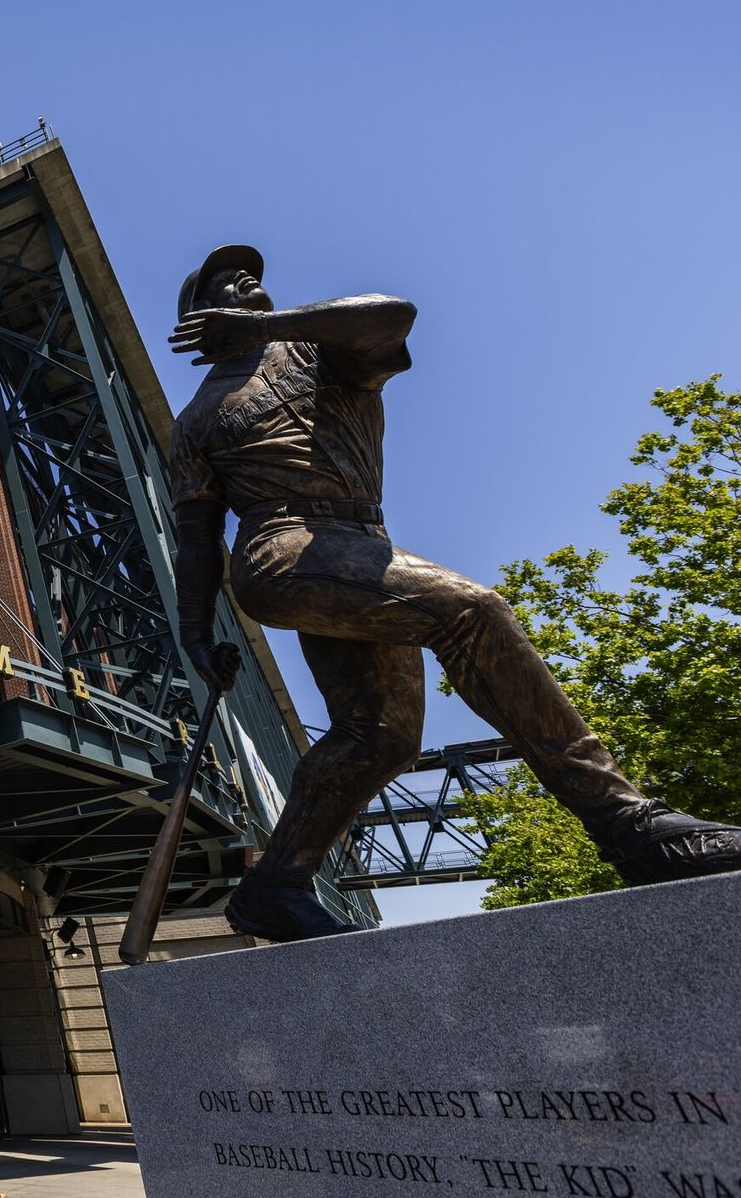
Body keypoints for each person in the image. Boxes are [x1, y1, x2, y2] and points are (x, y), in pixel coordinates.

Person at [166, 244, 741, 941]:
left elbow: (390, 315)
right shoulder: (196, 420)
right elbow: (197, 537)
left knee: (381, 737)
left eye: (248, 272)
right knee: (474, 612)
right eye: (224, 280)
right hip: (278, 550)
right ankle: (628, 823)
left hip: (358, 546)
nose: (245, 278)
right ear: (198, 317)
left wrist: (267, 327)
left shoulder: (315, 350)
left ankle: (276, 882)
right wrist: (195, 634)